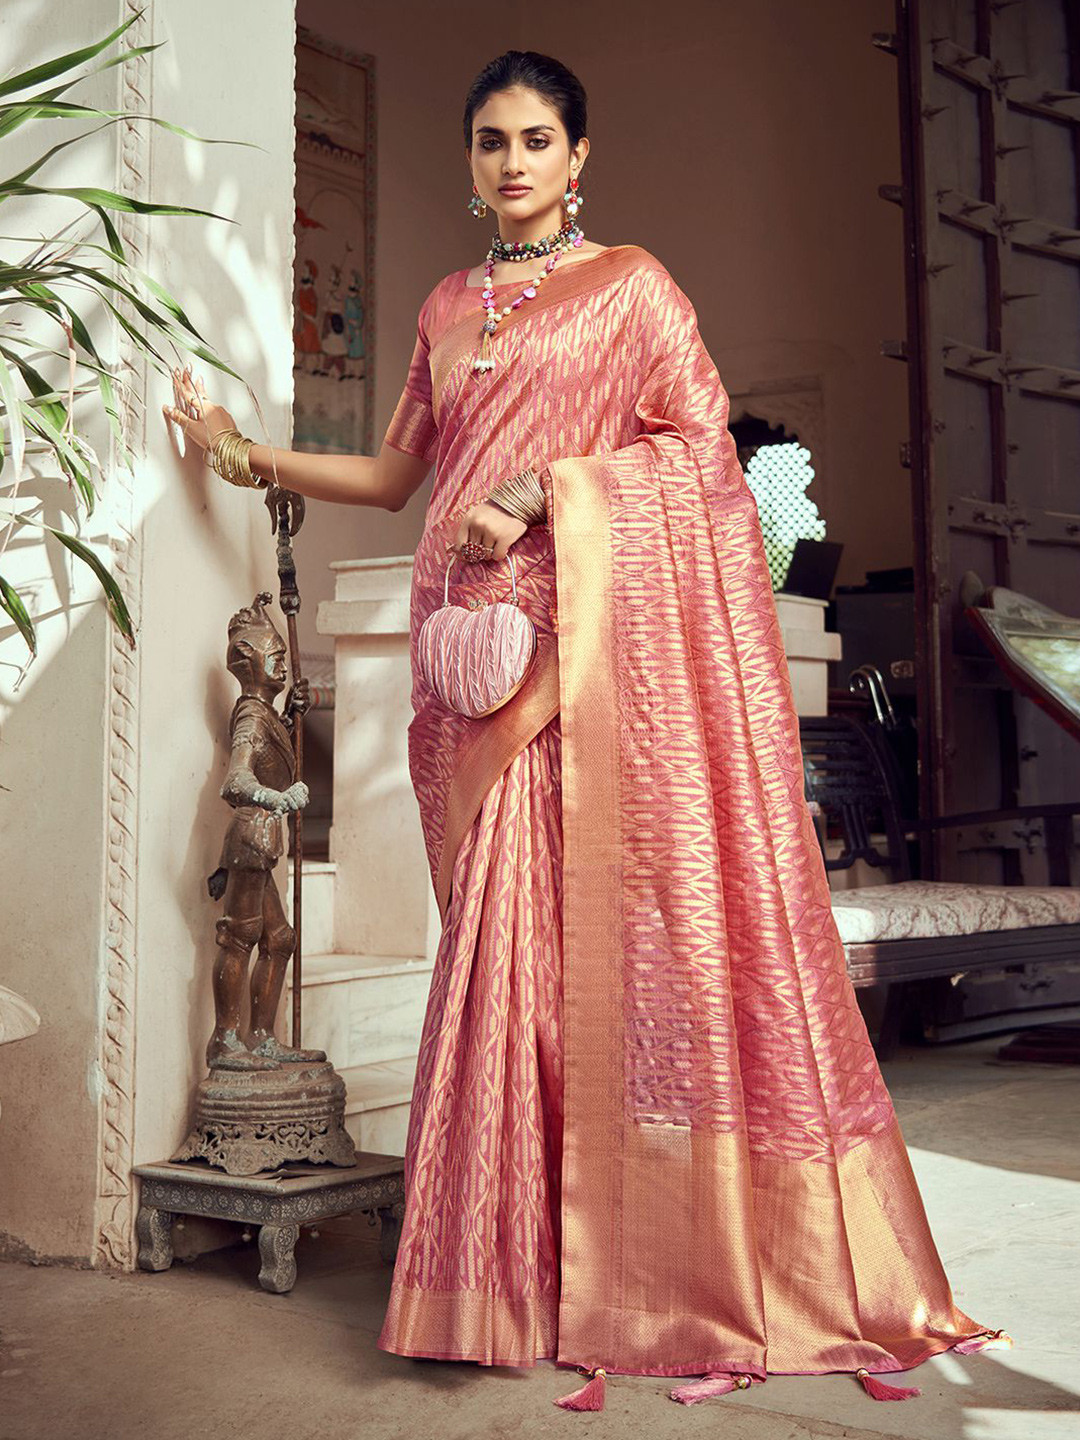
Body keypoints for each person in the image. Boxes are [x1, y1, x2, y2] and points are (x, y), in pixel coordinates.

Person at [163, 47, 1010, 1417]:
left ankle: (619, 1266)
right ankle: (501, 1269)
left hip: (581, 658)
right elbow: (394, 474)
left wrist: (545, 488)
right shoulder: (447, 305)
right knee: (496, 956)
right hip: (463, 663)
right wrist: (242, 451)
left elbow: (702, 455)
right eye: (490, 140)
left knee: (586, 953)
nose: (511, 162)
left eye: (536, 139)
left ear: (578, 157)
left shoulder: (633, 289)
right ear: (469, 159)